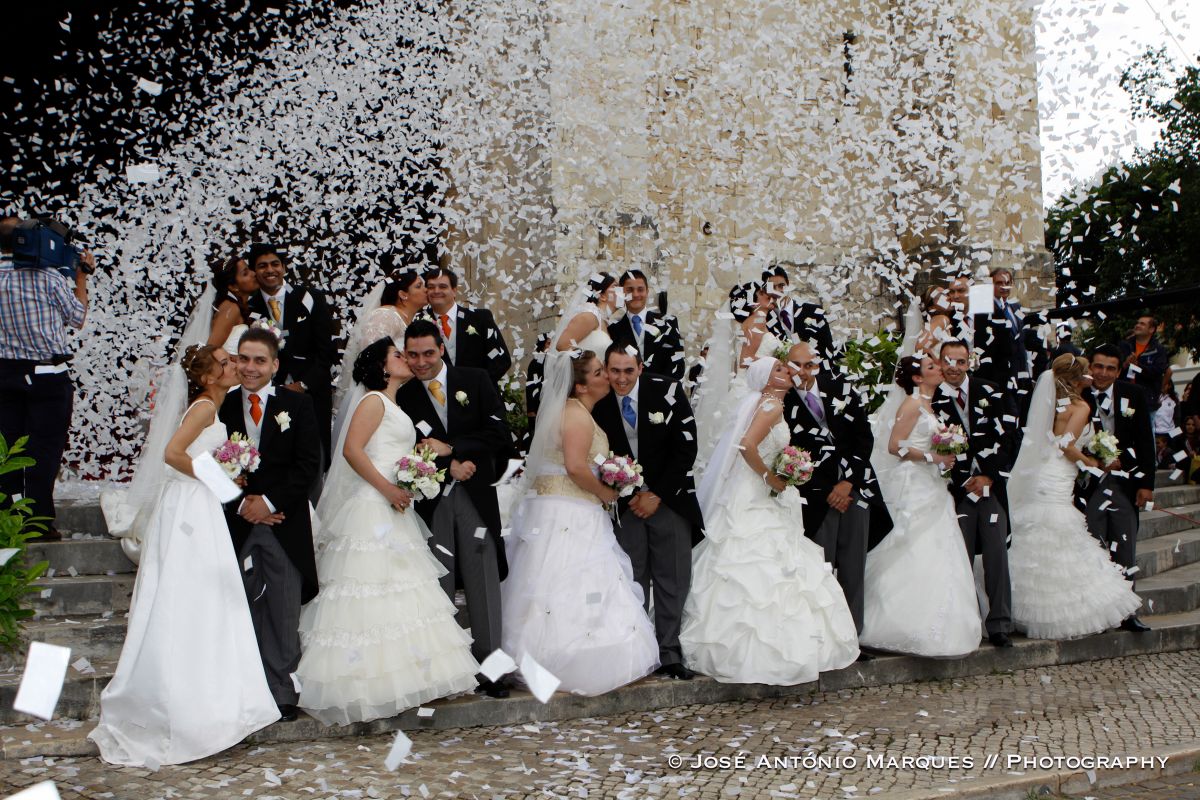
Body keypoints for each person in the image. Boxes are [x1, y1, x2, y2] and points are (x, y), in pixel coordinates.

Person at [90, 345, 279, 766]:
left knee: (207, 597)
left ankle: (211, 696)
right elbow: (172, 455)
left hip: (200, 504)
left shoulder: (214, 405)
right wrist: (220, 476)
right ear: (210, 375)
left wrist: (226, 478)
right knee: (189, 595)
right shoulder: (203, 408)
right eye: (228, 362)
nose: (236, 366)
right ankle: (182, 703)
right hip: (189, 508)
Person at [296, 338, 479, 725]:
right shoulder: (373, 401)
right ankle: (364, 685)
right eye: (398, 355)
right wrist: (388, 488)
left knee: (399, 590)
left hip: (393, 502)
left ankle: (403, 682)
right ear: (381, 367)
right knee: (368, 589)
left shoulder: (393, 404)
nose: (407, 359)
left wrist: (412, 479)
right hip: (372, 503)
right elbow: (352, 450)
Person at [680, 357, 859, 683]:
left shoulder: (767, 404)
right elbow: (746, 445)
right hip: (757, 492)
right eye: (779, 369)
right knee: (764, 567)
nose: (787, 372)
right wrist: (770, 477)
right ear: (765, 378)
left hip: (756, 492)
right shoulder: (771, 406)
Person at [502, 349, 658, 695]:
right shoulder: (575, 415)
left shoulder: (577, 412)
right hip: (570, 511)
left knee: (557, 584)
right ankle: (567, 663)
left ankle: (553, 658)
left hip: (563, 508)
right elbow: (574, 466)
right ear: (583, 385)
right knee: (566, 582)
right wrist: (606, 491)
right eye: (600, 372)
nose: (608, 377)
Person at [396, 320, 511, 697]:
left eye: (428, 353)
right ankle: (446, 673)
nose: (420, 362)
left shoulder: (475, 379)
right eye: (412, 354)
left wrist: (454, 448)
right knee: (439, 581)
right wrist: (448, 467)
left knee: (483, 580)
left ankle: (493, 669)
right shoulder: (403, 394)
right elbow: (405, 449)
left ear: (441, 349)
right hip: (431, 500)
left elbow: (499, 433)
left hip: (475, 494)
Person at [218, 328, 322, 721]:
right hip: (235, 520)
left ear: (275, 365)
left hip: (283, 521)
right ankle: (239, 687)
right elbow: (208, 464)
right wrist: (245, 502)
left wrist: (270, 502)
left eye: (259, 360)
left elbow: (308, 465)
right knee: (235, 606)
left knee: (282, 609)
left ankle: (281, 691)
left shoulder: (298, 406)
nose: (250, 367)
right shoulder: (220, 405)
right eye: (243, 358)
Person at [1006, 355, 1142, 638]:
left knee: (1039, 536)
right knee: (1060, 536)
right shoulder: (1080, 406)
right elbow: (1066, 446)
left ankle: (1022, 609)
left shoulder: (1051, 403)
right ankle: (1070, 612)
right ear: (1080, 378)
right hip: (1057, 474)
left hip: (1041, 474)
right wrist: (1093, 463)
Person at [592, 343, 704, 680]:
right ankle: (638, 653)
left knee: (672, 579)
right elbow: (596, 455)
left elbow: (686, 446)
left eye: (628, 370)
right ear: (607, 370)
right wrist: (629, 496)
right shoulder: (598, 402)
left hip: (669, 500)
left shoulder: (668, 390)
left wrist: (655, 493)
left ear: (640, 367)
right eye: (615, 371)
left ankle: (670, 652)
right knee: (632, 579)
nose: (622, 379)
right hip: (625, 505)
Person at [860, 354, 982, 657]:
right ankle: (895, 622)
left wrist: (944, 454)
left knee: (940, 548)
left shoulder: (930, 405)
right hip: (914, 484)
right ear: (917, 378)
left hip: (934, 485)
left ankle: (941, 623)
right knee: (912, 546)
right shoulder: (912, 404)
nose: (940, 368)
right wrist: (933, 457)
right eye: (931, 367)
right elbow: (894, 445)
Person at [784, 341, 891, 636]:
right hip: (817, 496)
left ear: (818, 365)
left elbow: (863, 438)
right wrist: (829, 488)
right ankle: (825, 636)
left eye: (809, 365)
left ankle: (853, 635)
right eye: (796, 365)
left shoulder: (842, 389)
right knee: (822, 568)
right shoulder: (783, 401)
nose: (803, 372)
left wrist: (847, 483)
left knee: (854, 567)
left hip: (854, 489)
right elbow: (787, 453)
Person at [0, 216, 93, 539]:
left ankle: (7, 519)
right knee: (44, 451)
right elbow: (77, 317)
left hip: (6, 373)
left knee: (8, 449)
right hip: (46, 375)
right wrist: (81, 277)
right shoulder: (48, 279)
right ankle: (37, 522)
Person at [932, 340, 1017, 647]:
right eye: (947, 361)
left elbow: (1009, 437)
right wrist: (958, 480)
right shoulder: (933, 398)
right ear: (940, 363)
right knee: (960, 555)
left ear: (969, 362)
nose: (953, 367)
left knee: (996, 553)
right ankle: (965, 622)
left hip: (990, 487)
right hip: (956, 491)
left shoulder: (991, 390)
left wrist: (989, 477)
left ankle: (999, 624)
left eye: (960, 361)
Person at [1081, 343, 1156, 633]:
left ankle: (1127, 612)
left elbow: (1145, 442)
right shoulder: (1079, 394)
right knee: (1095, 547)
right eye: (1098, 366)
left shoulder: (1133, 394)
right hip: (1089, 485)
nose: (1103, 373)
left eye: (1110, 368)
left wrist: (1146, 484)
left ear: (1119, 370)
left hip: (1125, 484)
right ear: (1090, 366)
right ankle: (1098, 614)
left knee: (1125, 548)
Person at [244, 243, 335, 468]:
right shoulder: (249, 306)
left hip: (311, 392)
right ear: (255, 271)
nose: (270, 270)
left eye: (275, 264)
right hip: (269, 392)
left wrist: (303, 384)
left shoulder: (310, 297)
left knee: (313, 454)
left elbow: (327, 351)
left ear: (284, 267)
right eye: (262, 266)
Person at [424, 266, 512, 386]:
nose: (436, 291)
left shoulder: (480, 318)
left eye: (442, 286)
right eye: (431, 287)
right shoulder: (420, 324)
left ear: (454, 290)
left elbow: (501, 360)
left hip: (482, 398)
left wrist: (478, 387)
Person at [606, 269, 685, 380]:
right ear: (622, 293)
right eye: (630, 290)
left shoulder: (668, 323)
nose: (635, 294)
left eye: (640, 289)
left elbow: (678, 365)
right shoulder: (614, 329)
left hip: (661, 392)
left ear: (647, 292)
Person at [973, 268, 1031, 415]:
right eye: (999, 283)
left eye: (1007, 283)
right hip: (998, 377)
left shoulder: (1016, 307)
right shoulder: (983, 310)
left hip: (1019, 374)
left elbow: (1020, 342)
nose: (1004, 287)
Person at [761, 265, 835, 359]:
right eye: (772, 287)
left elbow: (828, 351)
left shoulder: (814, 312)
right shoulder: (765, 320)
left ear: (788, 285)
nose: (778, 291)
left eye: (781, 285)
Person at [556, 273, 618, 353]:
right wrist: (588, 360)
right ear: (602, 296)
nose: (622, 291)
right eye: (615, 287)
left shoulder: (603, 321)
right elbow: (562, 346)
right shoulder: (589, 316)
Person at [207, 255, 259, 352]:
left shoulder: (243, 306)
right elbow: (210, 350)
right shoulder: (231, 308)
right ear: (233, 287)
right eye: (245, 273)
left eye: (250, 269)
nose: (253, 273)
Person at [1118, 314, 1169, 410]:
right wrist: (1125, 364)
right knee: (1126, 423)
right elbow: (1115, 369)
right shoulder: (1124, 345)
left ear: (1151, 329)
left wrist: (1137, 366)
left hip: (1147, 401)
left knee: (1145, 425)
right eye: (1137, 323)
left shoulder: (1158, 350)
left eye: (1142, 324)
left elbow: (1157, 372)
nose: (1137, 325)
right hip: (1125, 398)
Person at [915, 285, 955, 354]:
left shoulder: (937, 321)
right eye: (942, 295)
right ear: (931, 307)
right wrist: (939, 361)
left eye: (947, 294)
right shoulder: (941, 319)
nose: (949, 298)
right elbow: (920, 347)